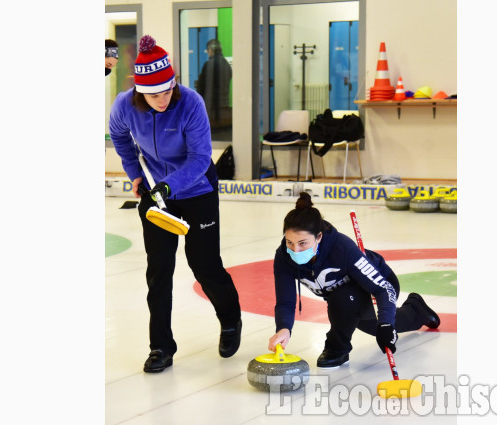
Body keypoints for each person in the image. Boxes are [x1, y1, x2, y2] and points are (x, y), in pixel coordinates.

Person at [109, 35, 242, 373]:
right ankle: (161, 347)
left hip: (196, 192)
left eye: (168, 90)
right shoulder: (124, 106)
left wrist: (169, 186)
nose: (163, 99)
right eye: (154, 94)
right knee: (159, 271)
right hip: (155, 194)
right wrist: (135, 172)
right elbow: (121, 138)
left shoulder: (191, 103)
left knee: (204, 265)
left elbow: (200, 158)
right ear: (140, 91)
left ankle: (229, 320)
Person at [267, 192, 441, 368]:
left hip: (379, 285)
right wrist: (284, 328)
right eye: (289, 242)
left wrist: (386, 324)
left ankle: (336, 349)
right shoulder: (283, 257)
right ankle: (417, 310)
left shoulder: (342, 248)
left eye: (302, 243)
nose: (295, 250)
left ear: (319, 237)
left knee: (348, 304)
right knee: (370, 325)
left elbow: (383, 288)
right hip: (349, 298)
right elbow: (285, 302)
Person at [195, 39, 232, 140]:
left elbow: (202, 88)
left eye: (208, 51)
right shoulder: (226, 65)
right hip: (224, 108)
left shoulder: (208, 64)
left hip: (211, 111)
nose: (208, 53)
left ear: (210, 50)